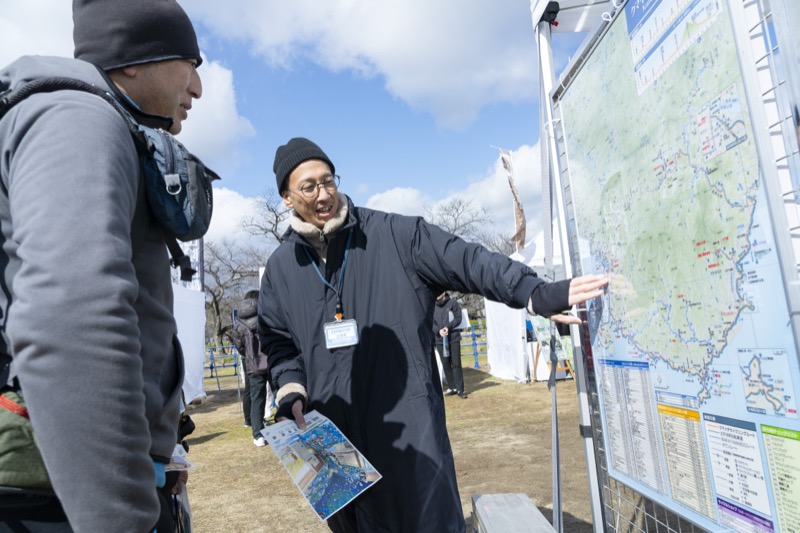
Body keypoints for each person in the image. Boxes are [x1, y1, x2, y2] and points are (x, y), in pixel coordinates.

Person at [258, 137, 608, 533]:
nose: (324, 193)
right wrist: (290, 390)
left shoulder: (396, 235)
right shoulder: (280, 269)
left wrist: (532, 291)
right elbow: (279, 342)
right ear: (287, 197)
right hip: (333, 442)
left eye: (329, 180)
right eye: (309, 186)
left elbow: (469, 261)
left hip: (412, 436)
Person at [0, 1, 203, 531]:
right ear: (133, 60)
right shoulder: (78, 117)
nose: (198, 88)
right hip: (50, 504)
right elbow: (70, 315)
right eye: (190, 63)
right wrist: (123, 517)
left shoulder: (91, 121)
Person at [231, 290, 275, 447]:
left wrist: (250, 356)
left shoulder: (238, 324)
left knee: (257, 398)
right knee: (279, 392)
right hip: (271, 360)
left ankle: (258, 435)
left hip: (252, 366)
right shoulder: (265, 316)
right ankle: (286, 423)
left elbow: (240, 348)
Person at [432, 292, 468, 398]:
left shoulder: (453, 303)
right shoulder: (432, 306)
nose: (437, 293)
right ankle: (452, 387)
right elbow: (429, 322)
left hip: (453, 338)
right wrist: (439, 331)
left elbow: (458, 318)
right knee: (445, 364)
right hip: (439, 339)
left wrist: (448, 327)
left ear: (444, 292)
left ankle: (460, 390)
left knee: (456, 364)